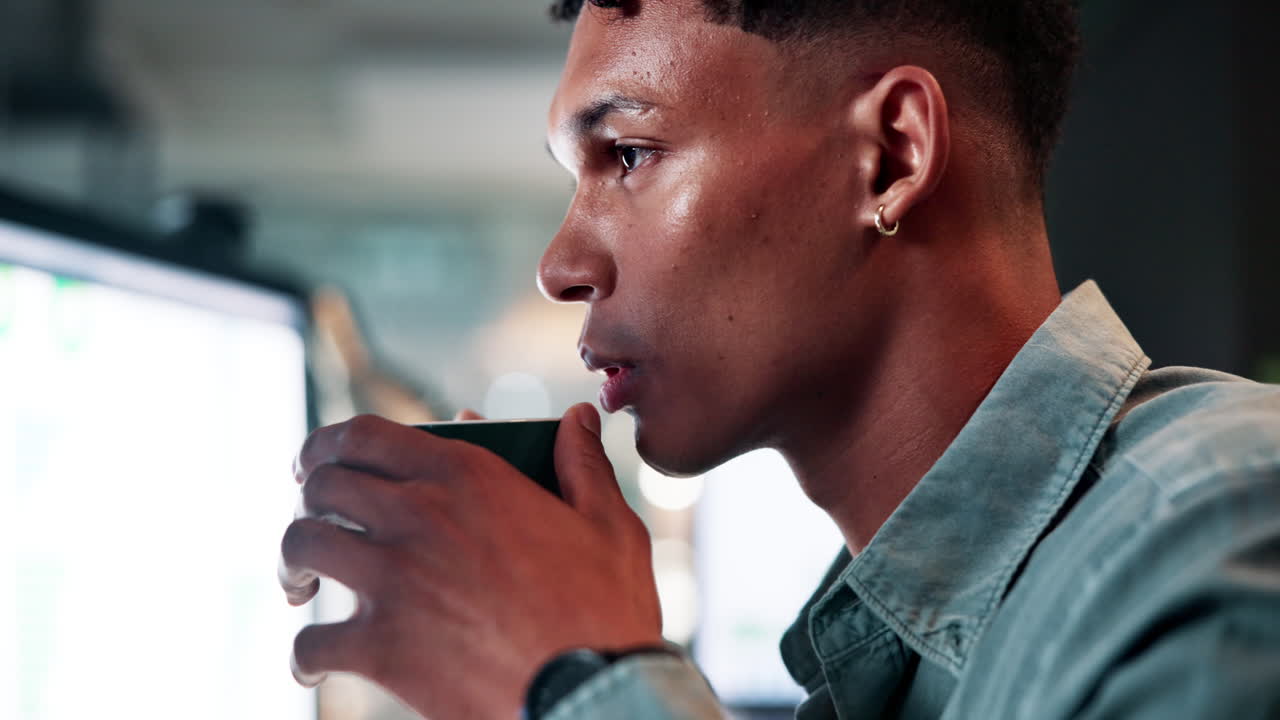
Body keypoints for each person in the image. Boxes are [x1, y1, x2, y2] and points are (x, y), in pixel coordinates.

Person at [277, 1, 1280, 718]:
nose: (559, 265)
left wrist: (579, 678)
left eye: (626, 155)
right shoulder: (883, 666)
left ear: (889, 155)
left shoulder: (1215, 530)